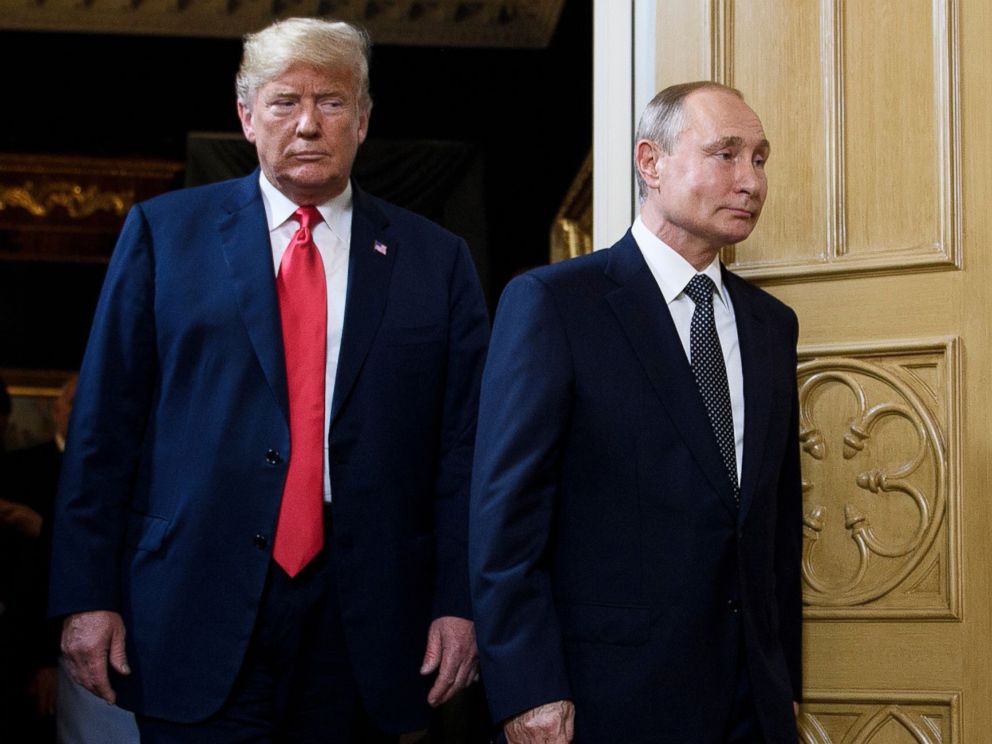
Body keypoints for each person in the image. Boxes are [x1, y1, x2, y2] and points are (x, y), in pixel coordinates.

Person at [49, 17, 489, 742]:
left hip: (371, 620)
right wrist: (85, 595)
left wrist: (460, 600)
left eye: (333, 101)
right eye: (285, 102)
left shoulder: (436, 260)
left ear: (365, 119)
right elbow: (105, 426)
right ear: (247, 118)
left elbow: (464, 449)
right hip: (192, 599)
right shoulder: (164, 235)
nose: (310, 123)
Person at [469, 81, 802, 743]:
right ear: (650, 163)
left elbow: (775, 524)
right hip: (609, 701)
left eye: (760, 160)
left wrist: (782, 680)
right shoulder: (555, 304)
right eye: (726, 154)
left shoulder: (771, 325)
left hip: (750, 705)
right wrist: (529, 686)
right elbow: (506, 519)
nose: (750, 181)